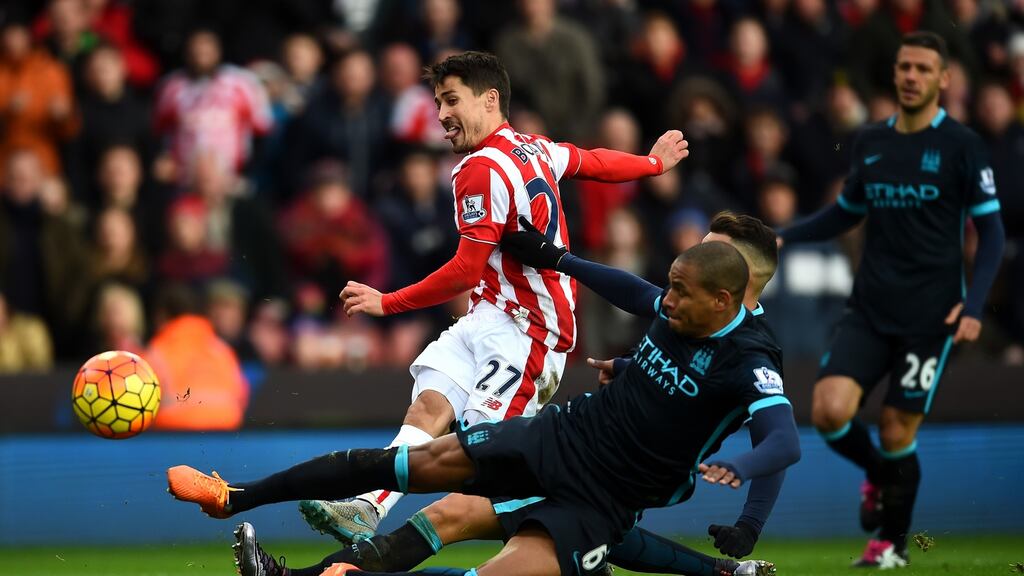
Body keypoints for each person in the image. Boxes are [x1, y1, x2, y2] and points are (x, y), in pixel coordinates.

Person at [167, 241, 802, 576]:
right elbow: (631, 291)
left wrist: (743, 473)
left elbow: (783, 440)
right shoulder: (676, 305)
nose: (666, 301)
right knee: (409, 466)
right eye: (669, 284)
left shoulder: (749, 360)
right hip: (563, 439)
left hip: (605, 499)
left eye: (682, 293)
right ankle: (235, 497)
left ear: (726, 299)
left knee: (487, 560)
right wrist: (559, 261)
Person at [299, 50, 689, 544]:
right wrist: (652, 163)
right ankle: (367, 508)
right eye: (439, 101)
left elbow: (465, 269)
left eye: (451, 100)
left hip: (530, 334)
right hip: (487, 318)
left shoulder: (478, 170)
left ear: (490, 99)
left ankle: (581, 528)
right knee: (428, 410)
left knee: (479, 461)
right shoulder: (535, 149)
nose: (441, 114)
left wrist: (387, 303)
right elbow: (591, 162)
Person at [778, 32, 1005, 568]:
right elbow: (846, 212)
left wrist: (973, 308)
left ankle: (891, 544)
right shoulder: (871, 141)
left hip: (932, 315)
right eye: (904, 66)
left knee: (898, 427)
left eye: (924, 69)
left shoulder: (964, 147)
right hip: (871, 308)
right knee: (829, 412)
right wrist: (784, 233)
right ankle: (883, 475)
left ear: (944, 79)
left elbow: (991, 234)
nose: (910, 76)